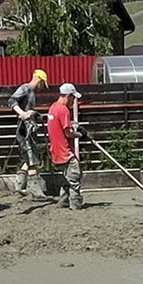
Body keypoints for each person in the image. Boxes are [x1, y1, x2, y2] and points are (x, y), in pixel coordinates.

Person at [8, 68, 50, 198]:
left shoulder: (31, 92)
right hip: (24, 129)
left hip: (30, 128)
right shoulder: (25, 88)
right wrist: (22, 113)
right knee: (31, 157)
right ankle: (34, 189)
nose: (42, 88)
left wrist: (34, 114)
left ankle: (19, 184)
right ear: (39, 80)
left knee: (32, 155)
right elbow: (11, 101)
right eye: (42, 84)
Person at [45, 83, 85, 211]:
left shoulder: (53, 108)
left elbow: (60, 126)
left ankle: (63, 201)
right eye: (73, 98)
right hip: (65, 151)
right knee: (74, 177)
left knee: (66, 178)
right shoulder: (63, 110)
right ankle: (75, 204)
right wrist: (80, 134)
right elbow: (68, 133)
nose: (73, 101)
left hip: (56, 151)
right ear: (68, 96)